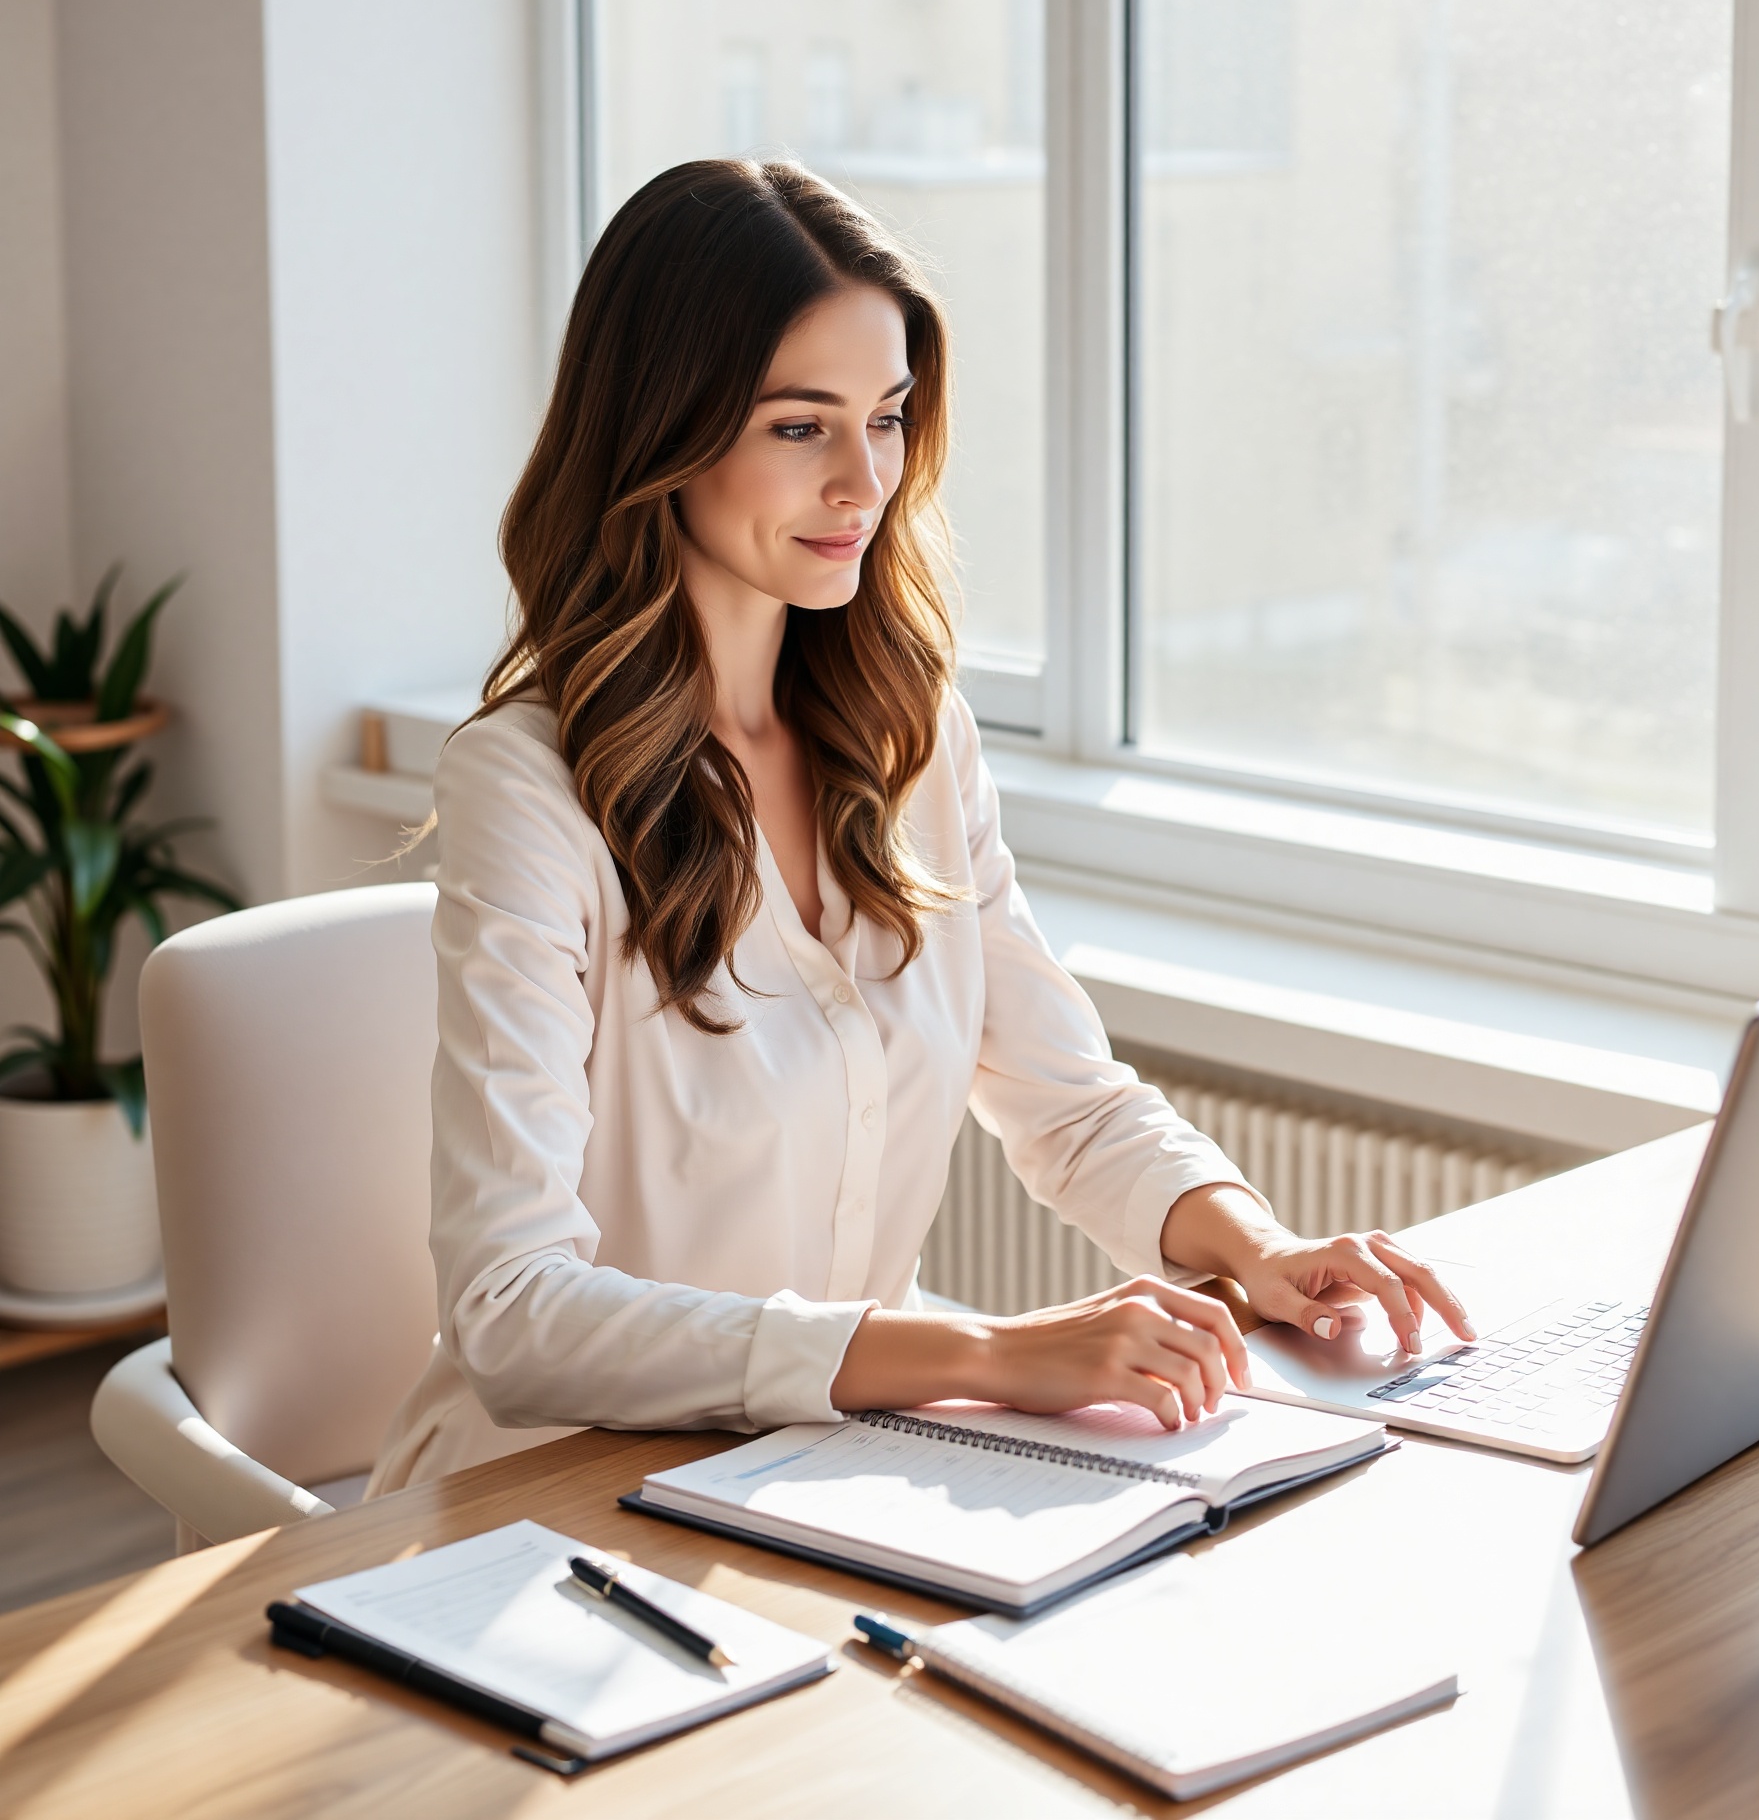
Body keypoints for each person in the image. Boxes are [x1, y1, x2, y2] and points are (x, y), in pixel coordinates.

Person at [368, 160, 1473, 1495]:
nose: (862, 481)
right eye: (798, 427)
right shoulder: (527, 791)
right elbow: (512, 1311)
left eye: (886, 418)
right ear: (660, 432)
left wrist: (1257, 1246)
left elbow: (1067, 1101)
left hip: (809, 1478)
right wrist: (988, 1353)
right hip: (544, 1500)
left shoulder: (909, 735)